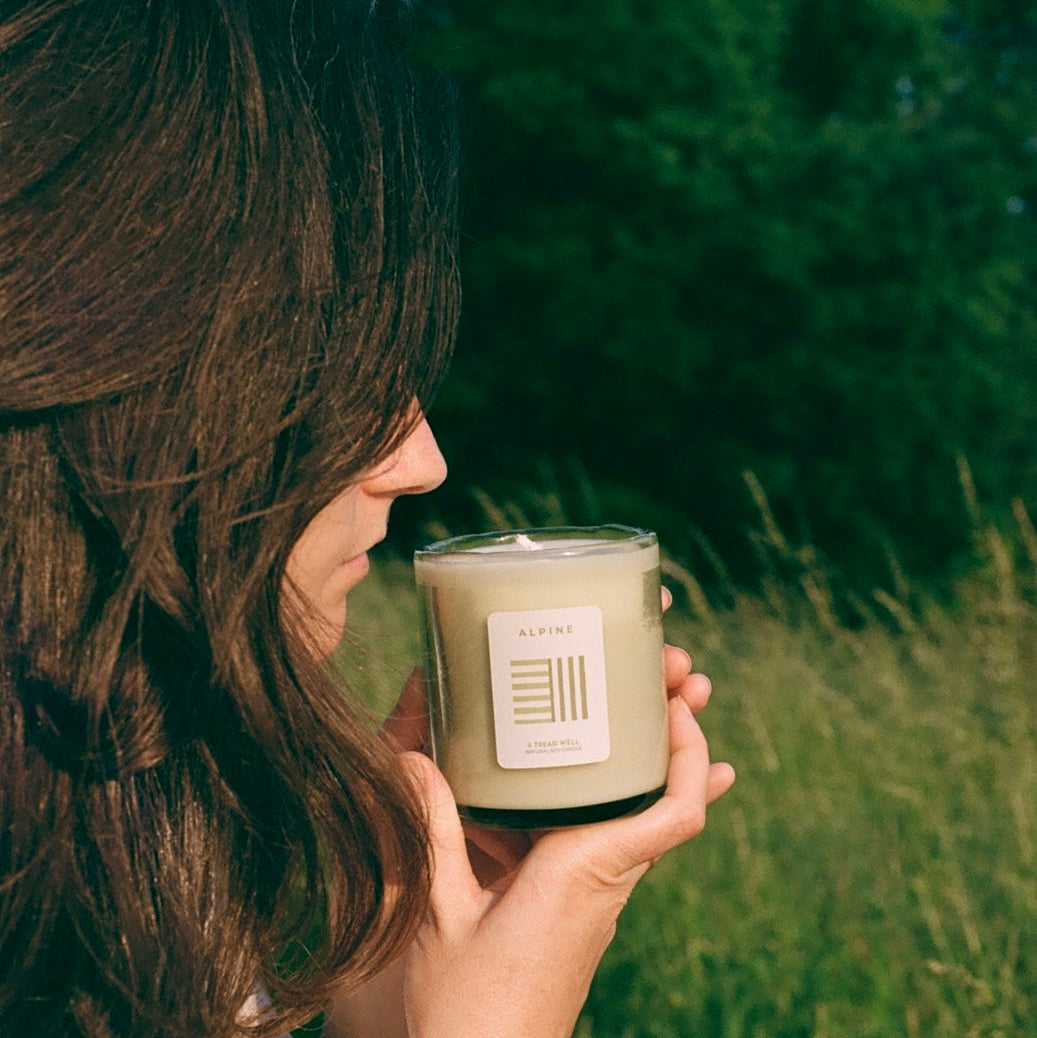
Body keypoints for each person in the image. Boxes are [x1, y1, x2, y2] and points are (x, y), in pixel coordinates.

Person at [0, 1, 736, 1036]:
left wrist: (384, 1013)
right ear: (138, 378)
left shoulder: (127, 853)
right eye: (343, 372)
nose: (420, 460)